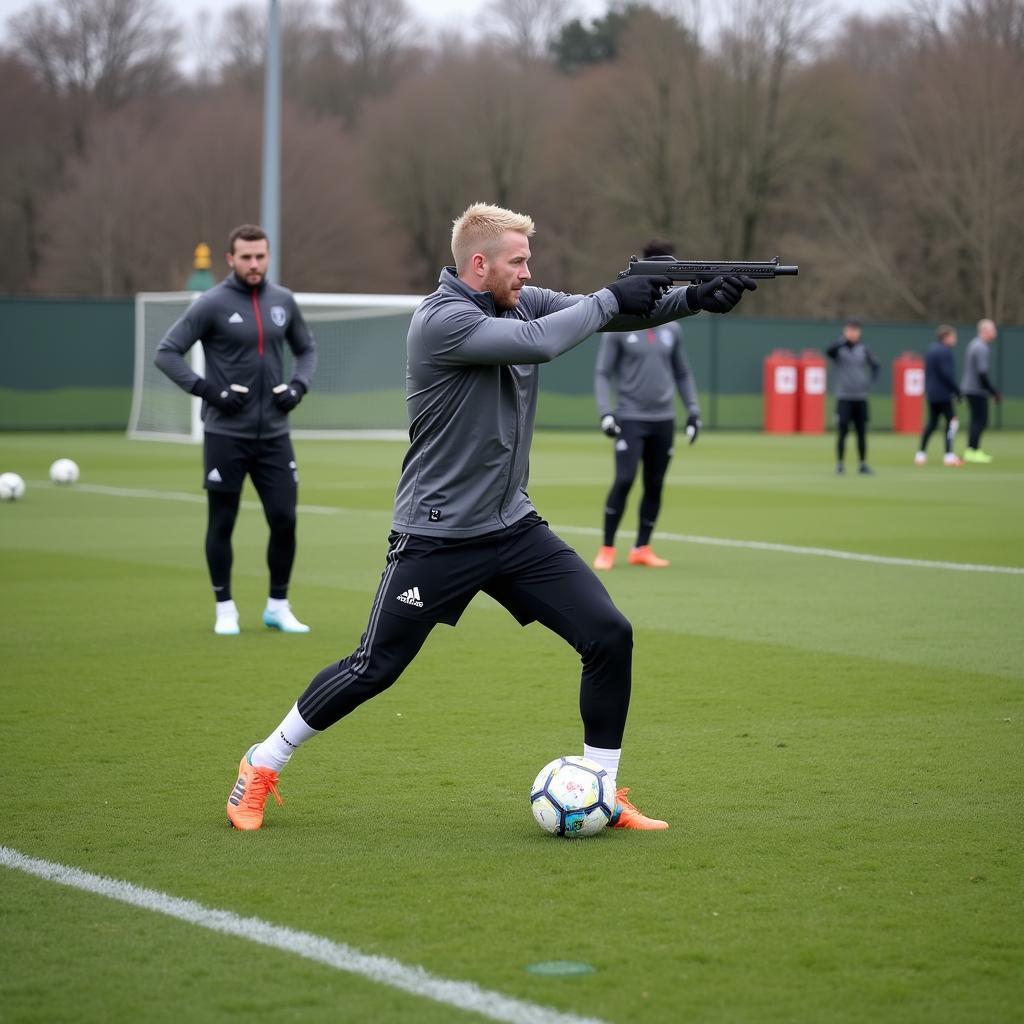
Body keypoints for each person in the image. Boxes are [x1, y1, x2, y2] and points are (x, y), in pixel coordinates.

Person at [224, 202, 756, 832]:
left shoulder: (519, 301)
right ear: (480, 263)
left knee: (609, 634)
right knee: (375, 668)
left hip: (513, 527)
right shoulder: (441, 320)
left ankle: (604, 791)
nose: (529, 273)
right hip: (436, 535)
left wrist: (695, 298)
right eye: (519, 261)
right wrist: (613, 299)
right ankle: (261, 763)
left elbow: (606, 313)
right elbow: (547, 342)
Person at [155, 224, 317, 636]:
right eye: (246, 257)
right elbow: (167, 353)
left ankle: (278, 606)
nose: (254, 264)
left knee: (284, 520)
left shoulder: (283, 301)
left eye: (260, 256)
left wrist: (297, 387)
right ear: (231, 259)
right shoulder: (211, 303)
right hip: (226, 435)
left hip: (275, 435)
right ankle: (225, 607)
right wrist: (210, 392)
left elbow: (306, 349)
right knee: (222, 522)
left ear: (268, 256)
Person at [592, 240, 701, 571]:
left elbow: (682, 372)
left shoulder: (674, 328)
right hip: (631, 417)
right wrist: (606, 413)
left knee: (655, 484)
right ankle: (607, 548)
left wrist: (693, 410)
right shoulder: (621, 325)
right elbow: (603, 372)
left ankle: (642, 547)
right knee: (624, 480)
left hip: (663, 419)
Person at [827, 319, 879, 475]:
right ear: (845, 331)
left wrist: (870, 382)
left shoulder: (864, 349)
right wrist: (842, 340)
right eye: (850, 330)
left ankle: (863, 464)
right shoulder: (839, 348)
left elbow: (876, 366)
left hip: (860, 397)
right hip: (844, 397)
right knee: (842, 431)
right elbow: (829, 351)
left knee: (861, 432)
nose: (853, 333)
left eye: (855, 330)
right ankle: (840, 464)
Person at [915, 325, 963, 467]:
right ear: (946, 337)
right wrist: (957, 391)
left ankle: (920, 454)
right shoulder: (945, 352)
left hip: (931, 394)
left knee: (932, 424)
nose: (955, 339)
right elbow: (946, 374)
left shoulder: (931, 351)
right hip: (943, 394)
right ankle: (949, 455)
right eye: (953, 336)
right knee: (952, 423)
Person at [961, 319, 1001, 463]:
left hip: (971, 389)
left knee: (976, 420)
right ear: (985, 331)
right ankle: (973, 450)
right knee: (980, 421)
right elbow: (982, 373)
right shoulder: (981, 347)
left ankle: (972, 449)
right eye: (993, 330)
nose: (995, 333)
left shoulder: (974, 344)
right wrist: (993, 391)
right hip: (976, 390)